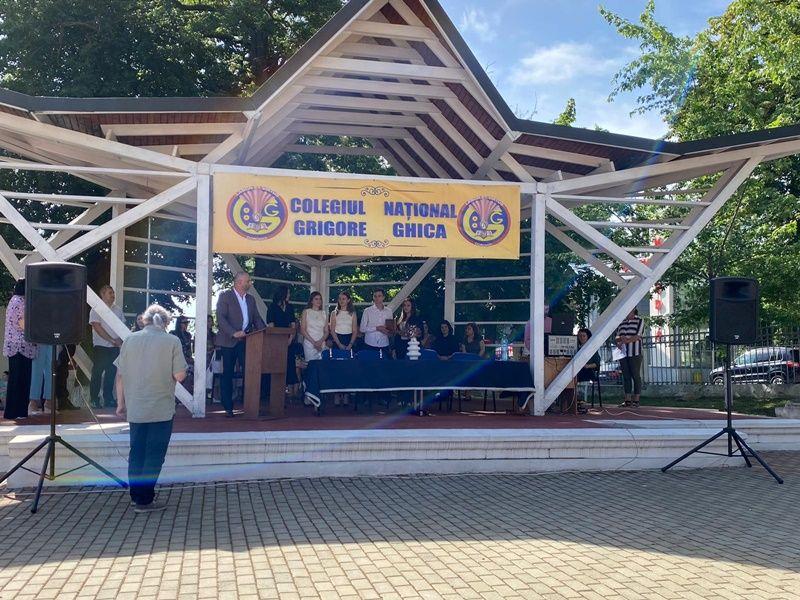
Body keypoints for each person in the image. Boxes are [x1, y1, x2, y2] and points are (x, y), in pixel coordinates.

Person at [115, 304, 187, 514]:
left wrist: (121, 403)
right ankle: (144, 500)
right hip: (161, 407)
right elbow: (179, 375)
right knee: (154, 454)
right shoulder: (172, 341)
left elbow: (120, 375)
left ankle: (136, 495)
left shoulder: (129, 340)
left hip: (136, 407)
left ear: (144, 320)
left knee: (136, 451)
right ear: (165, 322)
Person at [216, 272, 266, 417]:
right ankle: (228, 407)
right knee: (228, 373)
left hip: (247, 341)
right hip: (228, 341)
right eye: (247, 281)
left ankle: (249, 405)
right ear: (239, 282)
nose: (250, 283)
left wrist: (265, 332)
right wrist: (233, 333)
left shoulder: (251, 299)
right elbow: (220, 318)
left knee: (250, 372)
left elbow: (257, 319)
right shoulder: (225, 296)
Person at [3, 279, 35, 420]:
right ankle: (17, 411)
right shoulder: (20, 302)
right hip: (20, 346)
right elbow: (23, 324)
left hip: (18, 346)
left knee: (19, 379)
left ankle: (17, 411)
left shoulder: (15, 300)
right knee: (20, 379)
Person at [89, 285, 125, 408]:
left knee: (111, 373)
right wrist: (111, 340)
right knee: (97, 373)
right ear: (102, 295)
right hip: (101, 347)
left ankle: (108, 399)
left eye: (113, 292)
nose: (113, 295)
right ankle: (94, 399)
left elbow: (122, 326)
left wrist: (119, 339)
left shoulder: (118, 310)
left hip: (114, 348)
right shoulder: (96, 309)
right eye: (110, 293)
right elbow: (96, 326)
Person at [267, 286, 301, 398]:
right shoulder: (272, 307)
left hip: (289, 341)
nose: (289, 295)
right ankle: (277, 393)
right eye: (288, 293)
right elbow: (271, 325)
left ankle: (291, 393)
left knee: (290, 365)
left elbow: (293, 324)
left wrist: (290, 338)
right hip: (276, 342)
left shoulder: (290, 307)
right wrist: (277, 340)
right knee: (278, 365)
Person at [615, 308, 644, 408]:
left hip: (635, 352)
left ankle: (636, 400)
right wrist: (620, 340)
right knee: (626, 376)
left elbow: (638, 335)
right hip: (623, 353)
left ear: (633, 310)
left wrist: (626, 341)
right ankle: (627, 400)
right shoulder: (621, 322)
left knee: (635, 375)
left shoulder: (639, 320)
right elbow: (617, 336)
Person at [359, 289, 393, 356]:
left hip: (384, 343)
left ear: (383, 297)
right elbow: (362, 329)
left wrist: (388, 331)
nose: (377, 298)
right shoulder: (367, 311)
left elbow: (390, 329)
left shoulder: (389, 311)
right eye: (375, 296)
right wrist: (377, 328)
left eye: (379, 296)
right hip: (370, 343)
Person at [301, 292, 328, 362]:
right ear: (311, 301)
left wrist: (320, 342)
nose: (319, 301)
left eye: (320, 299)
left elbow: (326, 331)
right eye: (316, 299)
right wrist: (314, 343)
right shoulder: (306, 312)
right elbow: (303, 330)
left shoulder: (324, 313)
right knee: (311, 365)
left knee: (321, 366)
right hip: (309, 344)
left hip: (321, 344)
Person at [28, 345, 54, 415]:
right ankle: (33, 403)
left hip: (53, 340)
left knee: (52, 370)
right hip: (38, 341)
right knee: (36, 370)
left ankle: (49, 403)